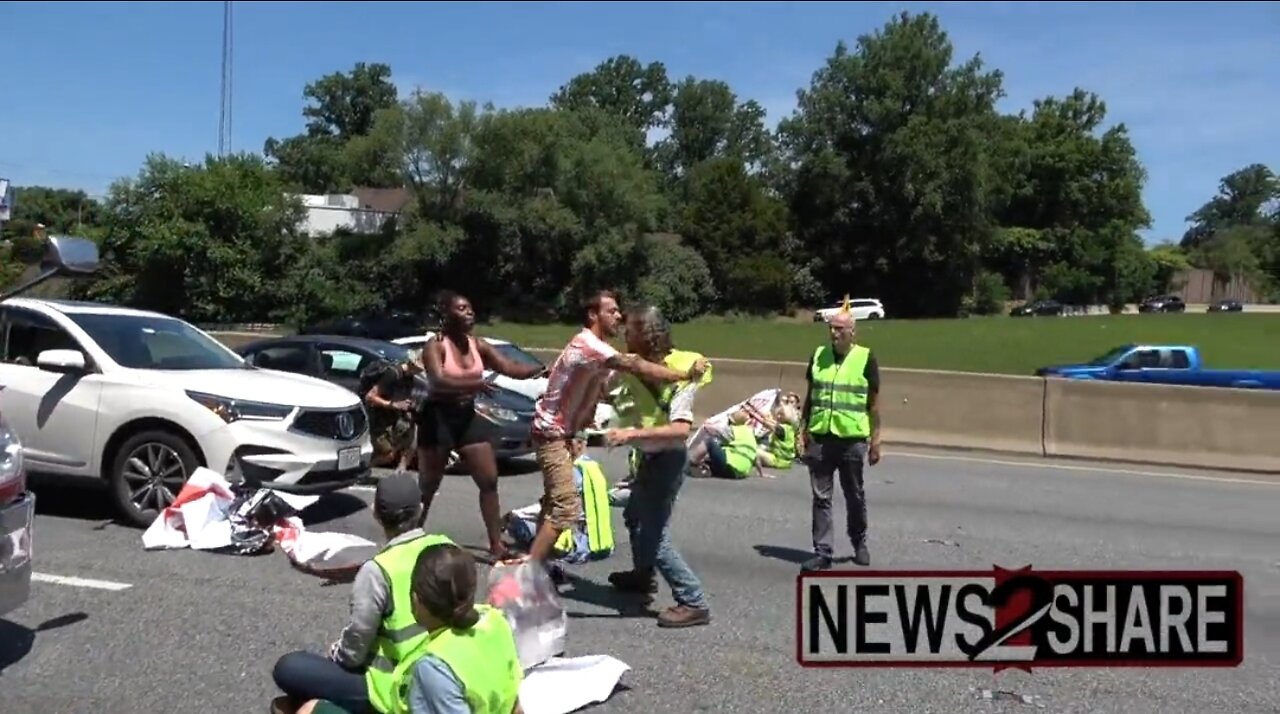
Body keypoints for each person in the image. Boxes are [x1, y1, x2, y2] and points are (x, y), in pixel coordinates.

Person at [520, 291, 709, 573]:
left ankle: (542, 564)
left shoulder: (599, 351)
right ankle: (530, 573)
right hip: (552, 434)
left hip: (564, 434)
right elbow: (632, 366)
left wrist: (579, 432)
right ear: (593, 315)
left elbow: (597, 391)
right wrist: (684, 375)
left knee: (555, 503)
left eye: (620, 312)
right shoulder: (590, 345)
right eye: (612, 311)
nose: (619, 317)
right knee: (564, 508)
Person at [271, 474, 457, 714]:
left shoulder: (378, 570)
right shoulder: (448, 548)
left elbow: (356, 646)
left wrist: (337, 653)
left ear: (375, 513)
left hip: (394, 684)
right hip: (445, 669)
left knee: (289, 668)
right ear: (421, 510)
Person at [293, 543, 525, 714]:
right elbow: (516, 702)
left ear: (416, 599)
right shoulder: (494, 620)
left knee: (307, 709)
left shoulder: (434, 667)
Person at [603, 305, 713, 628]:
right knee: (633, 515)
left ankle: (693, 601)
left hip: (667, 460)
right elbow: (617, 397)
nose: (625, 334)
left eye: (631, 330)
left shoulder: (684, 370)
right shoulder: (635, 368)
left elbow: (681, 430)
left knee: (654, 534)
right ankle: (642, 576)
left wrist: (630, 434)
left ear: (647, 335)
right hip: (650, 458)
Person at [417, 290, 545, 560]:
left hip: (466, 416)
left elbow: (509, 367)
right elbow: (438, 381)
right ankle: (410, 536)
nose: (470, 313)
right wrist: (474, 384)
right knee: (428, 485)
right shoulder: (435, 345)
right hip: (437, 417)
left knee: (488, 480)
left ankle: (496, 544)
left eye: (471, 308)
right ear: (447, 313)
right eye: (462, 308)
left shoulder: (478, 344)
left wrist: (542, 370)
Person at [799, 298, 882, 572]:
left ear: (852, 332)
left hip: (851, 440)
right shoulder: (818, 355)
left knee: (854, 494)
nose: (834, 333)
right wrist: (803, 430)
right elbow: (810, 397)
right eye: (832, 328)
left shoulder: (865, 358)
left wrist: (876, 440)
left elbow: (873, 403)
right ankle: (822, 551)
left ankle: (859, 543)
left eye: (840, 329)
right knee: (821, 497)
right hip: (821, 437)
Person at [502, 437, 615, 567]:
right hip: (603, 546)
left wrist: (516, 514)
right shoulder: (593, 467)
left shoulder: (570, 472)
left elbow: (554, 507)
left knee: (515, 522)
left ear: (573, 446)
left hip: (577, 546)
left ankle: (538, 554)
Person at [363, 352, 423, 473]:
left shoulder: (409, 378)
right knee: (387, 454)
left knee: (412, 434)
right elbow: (370, 397)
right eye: (419, 369)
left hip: (392, 417)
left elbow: (402, 396)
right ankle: (362, 469)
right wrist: (392, 404)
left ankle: (401, 469)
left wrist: (410, 404)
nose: (420, 372)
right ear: (412, 364)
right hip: (378, 417)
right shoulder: (392, 374)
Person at [701, 409, 763, 480]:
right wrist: (761, 473)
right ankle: (709, 467)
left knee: (710, 442)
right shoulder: (750, 433)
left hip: (730, 466)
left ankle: (693, 463)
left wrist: (706, 422)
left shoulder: (733, 430)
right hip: (740, 473)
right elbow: (756, 457)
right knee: (719, 449)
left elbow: (710, 429)